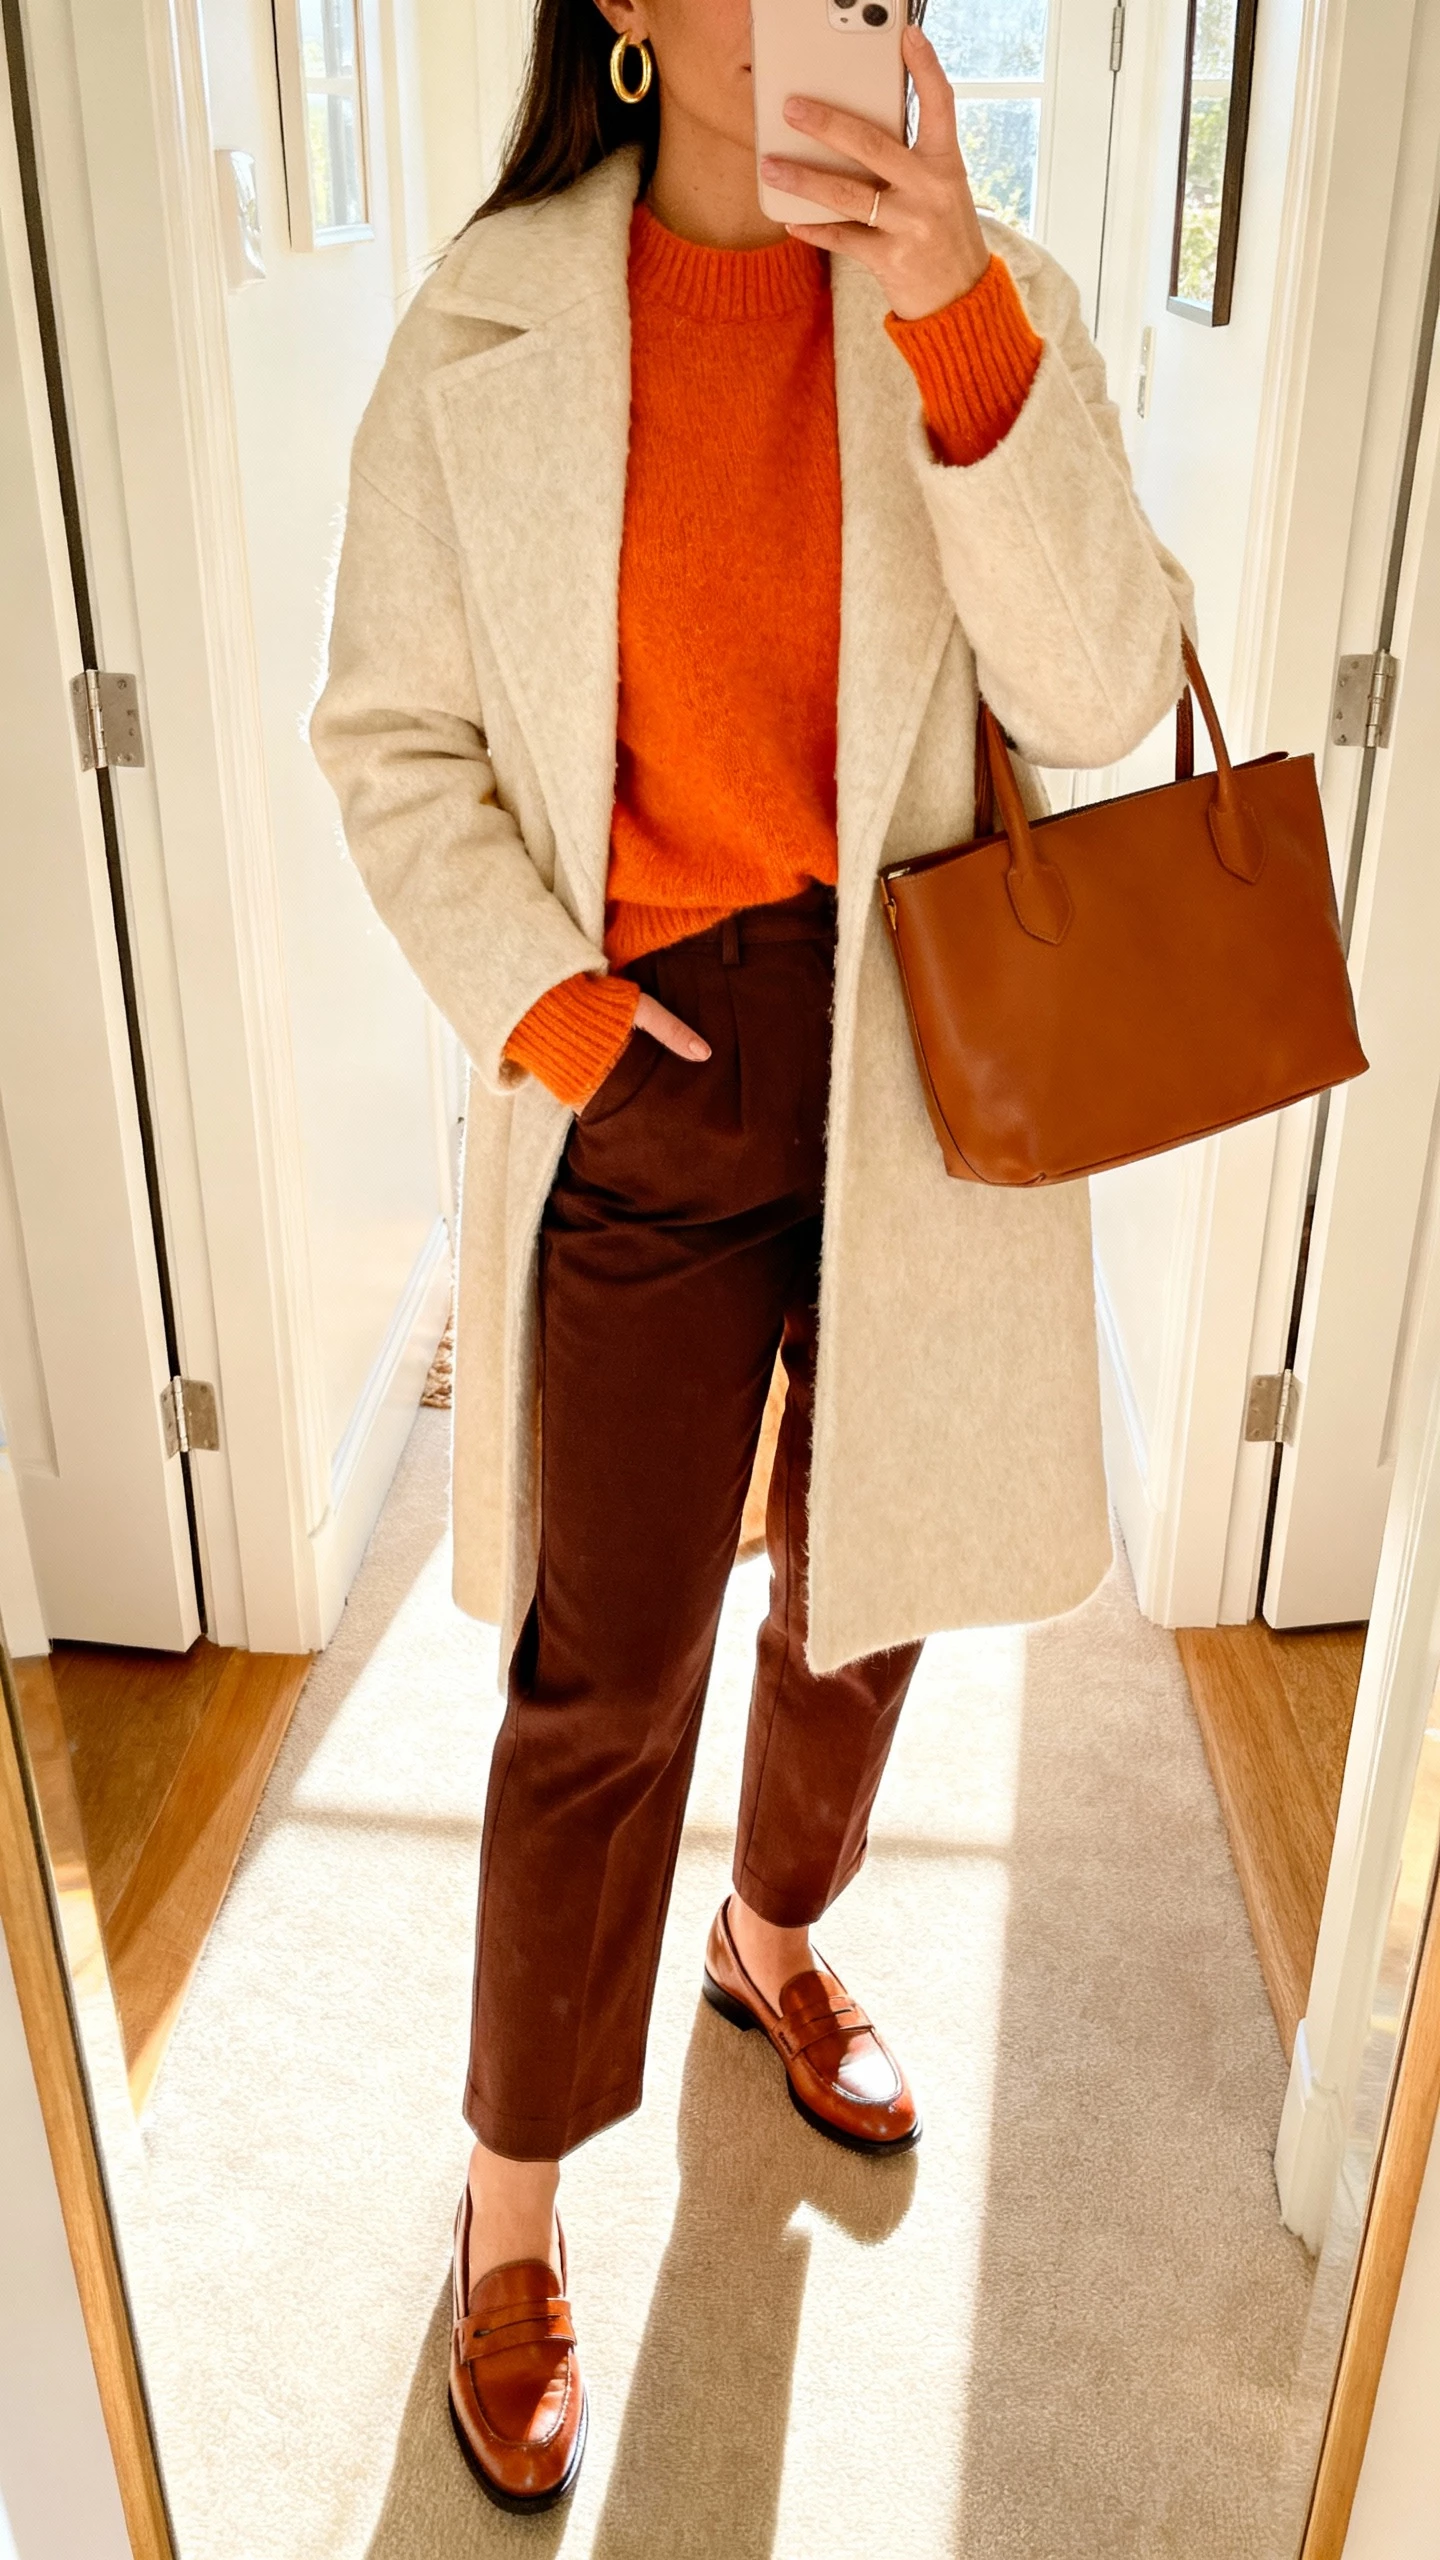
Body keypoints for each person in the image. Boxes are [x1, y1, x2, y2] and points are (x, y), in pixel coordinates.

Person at [312, 0, 1192, 2513]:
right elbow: (388, 738)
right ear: (628, 19)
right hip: (646, 1057)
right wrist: (559, 1010)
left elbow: (1108, 679)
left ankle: (775, 1938)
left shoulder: (970, 289)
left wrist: (955, 322)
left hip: (928, 1039)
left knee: (869, 1580)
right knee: (606, 1667)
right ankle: (510, 2206)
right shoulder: (483, 324)